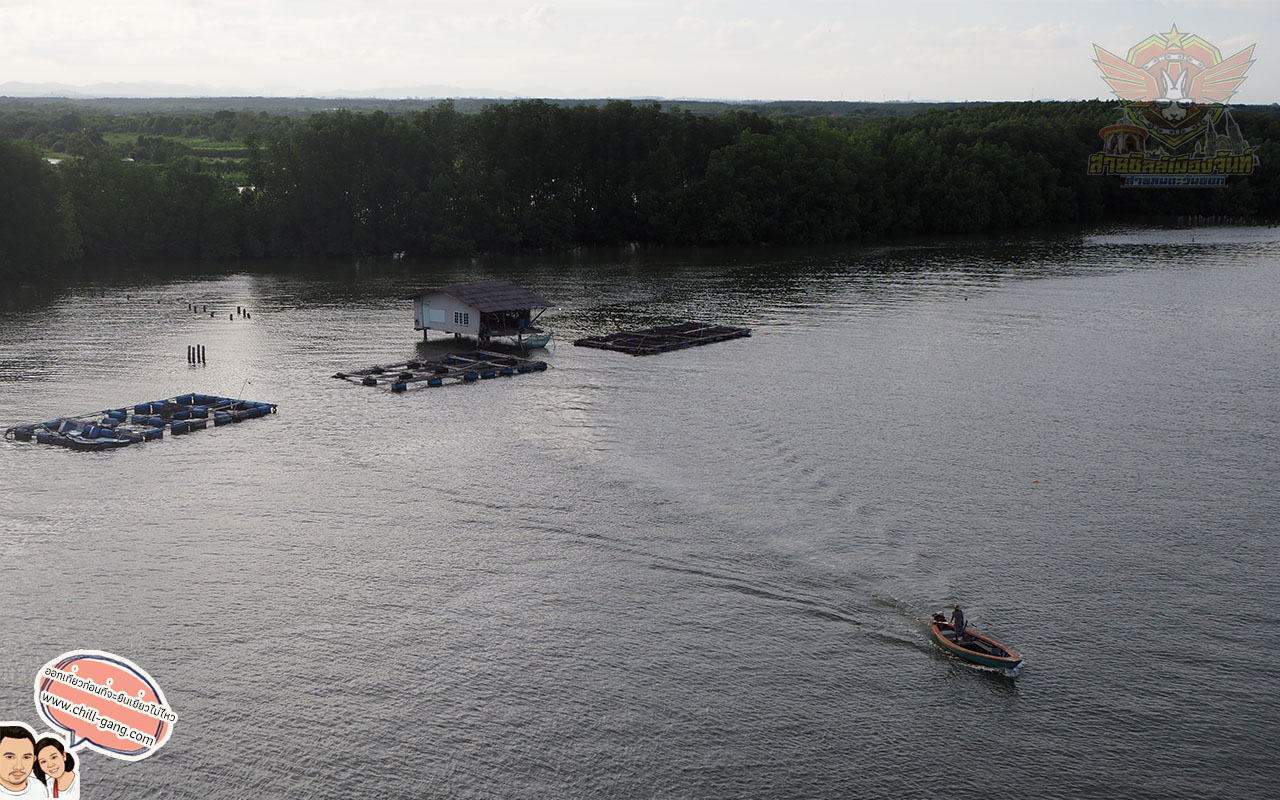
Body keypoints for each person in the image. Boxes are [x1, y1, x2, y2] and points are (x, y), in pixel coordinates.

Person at [0, 723, 47, 797]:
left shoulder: (40, 788)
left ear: (34, 759)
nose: (19, 767)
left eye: (26, 757)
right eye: (10, 757)